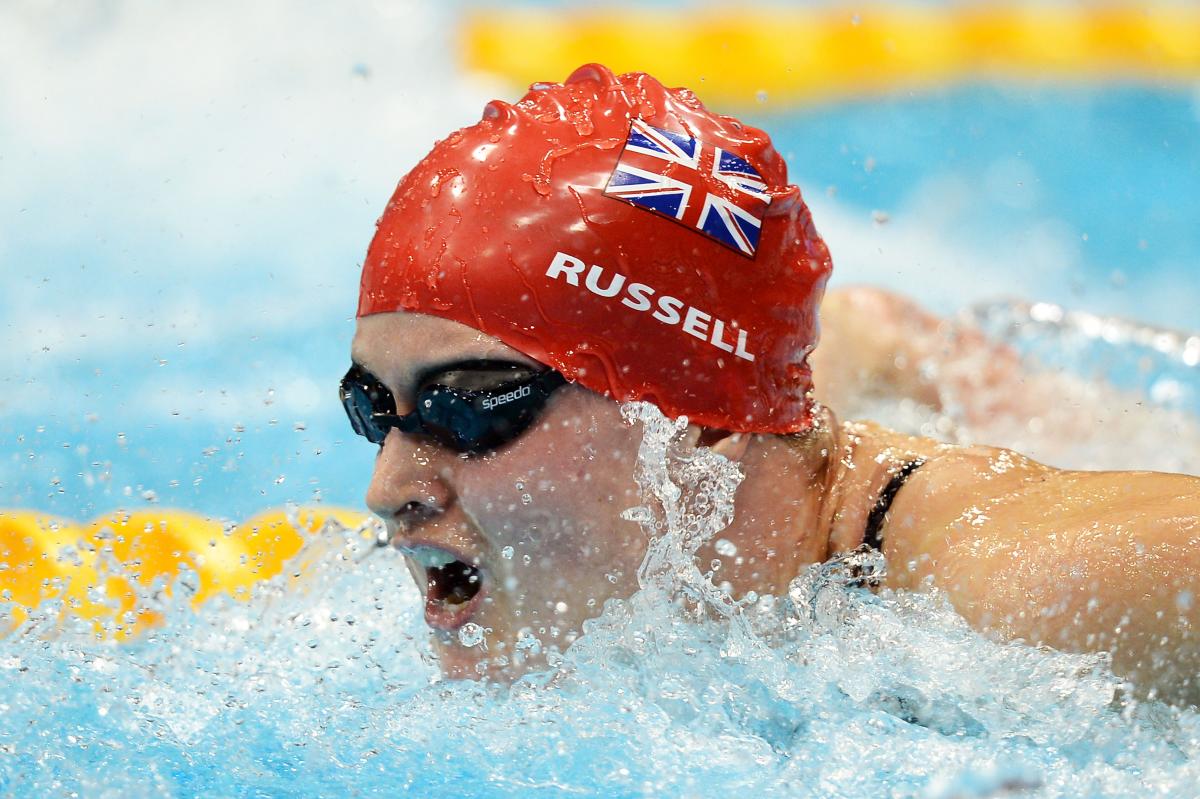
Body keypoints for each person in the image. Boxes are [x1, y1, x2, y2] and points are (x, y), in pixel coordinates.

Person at [345, 64, 1199, 705]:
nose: (389, 490)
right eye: (373, 407)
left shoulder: (1021, 591)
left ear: (699, 417)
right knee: (858, 352)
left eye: (471, 404)